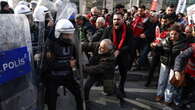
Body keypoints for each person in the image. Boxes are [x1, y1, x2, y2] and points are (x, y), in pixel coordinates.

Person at [43, 19, 83, 110]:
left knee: (78, 93)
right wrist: (68, 64)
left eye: (70, 34)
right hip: (53, 77)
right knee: (51, 100)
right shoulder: (50, 44)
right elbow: (51, 65)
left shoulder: (71, 44)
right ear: (58, 33)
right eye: (66, 34)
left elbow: (75, 59)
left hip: (67, 76)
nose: (69, 36)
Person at [102, 12, 135, 97]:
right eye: (114, 19)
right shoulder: (108, 29)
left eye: (118, 19)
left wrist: (119, 50)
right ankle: (108, 89)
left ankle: (121, 89)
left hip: (123, 55)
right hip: (110, 55)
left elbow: (131, 45)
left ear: (123, 20)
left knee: (123, 73)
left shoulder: (128, 29)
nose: (116, 21)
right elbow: (103, 41)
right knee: (108, 72)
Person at [155, 24, 188, 105]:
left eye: (175, 34)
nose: (172, 36)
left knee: (170, 83)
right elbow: (160, 51)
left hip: (175, 66)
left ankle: (168, 99)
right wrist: (156, 47)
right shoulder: (165, 40)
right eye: (171, 34)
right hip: (165, 63)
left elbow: (183, 57)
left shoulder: (183, 43)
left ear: (179, 34)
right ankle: (159, 94)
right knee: (162, 80)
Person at [83, 39, 116, 103]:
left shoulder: (111, 58)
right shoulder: (98, 45)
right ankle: (86, 100)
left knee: (110, 88)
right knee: (87, 86)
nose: (100, 49)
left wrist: (84, 68)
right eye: (100, 47)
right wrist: (80, 47)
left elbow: (98, 69)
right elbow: (87, 45)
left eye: (103, 48)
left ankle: (116, 93)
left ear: (108, 50)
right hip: (95, 69)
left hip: (105, 73)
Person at [174, 43, 195, 109]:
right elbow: (180, 57)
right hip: (190, 76)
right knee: (185, 95)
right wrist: (177, 71)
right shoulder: (193, 48)